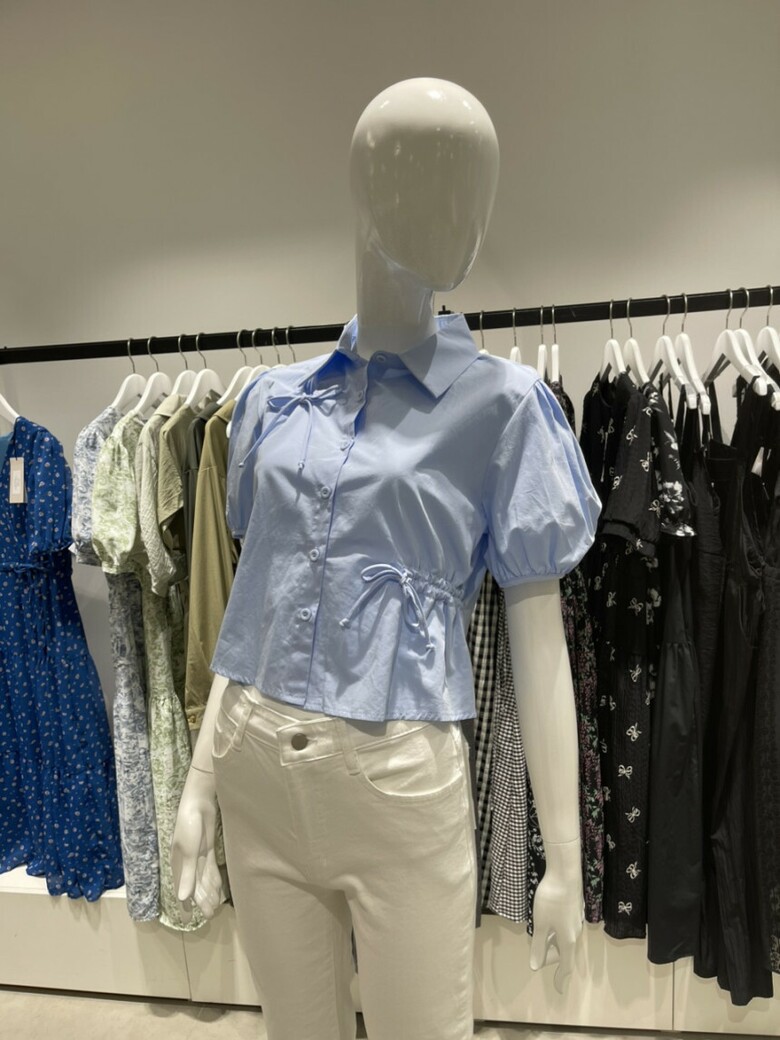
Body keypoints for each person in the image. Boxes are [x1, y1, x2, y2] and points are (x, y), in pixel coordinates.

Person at [172, 77, 599, 1040]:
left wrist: (565, 862)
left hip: (398, 778)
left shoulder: (506, 407)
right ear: (365, 191)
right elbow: (255, 603)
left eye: (477, 185)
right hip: (252, 760)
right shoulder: (270, 402)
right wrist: (199, 781)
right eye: (436, 177)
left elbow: (541, 646)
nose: (466, 216)